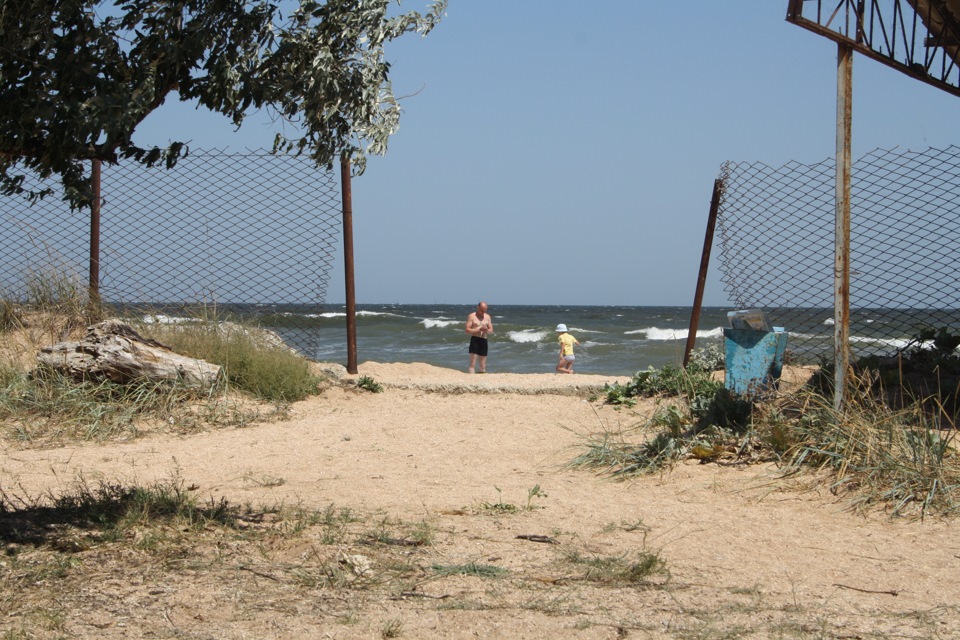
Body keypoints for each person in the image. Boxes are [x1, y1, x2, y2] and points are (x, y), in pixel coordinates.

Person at [465, 301, 494, 373]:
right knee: (473, 363)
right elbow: (467, 330)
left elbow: (491, 330)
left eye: (484, 311)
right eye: (481, 311)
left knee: (483, 364)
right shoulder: (472, 316)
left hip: (484, 340)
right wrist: (478, 329)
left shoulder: (487, 316)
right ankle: (471, 378)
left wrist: (486, 330)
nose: (483, 312)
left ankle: (481, 377)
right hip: (475, 339)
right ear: (478, 308)